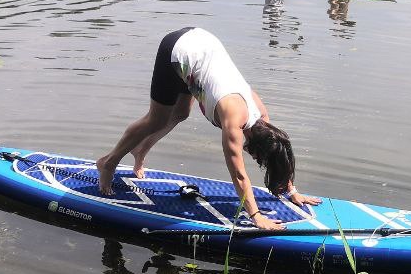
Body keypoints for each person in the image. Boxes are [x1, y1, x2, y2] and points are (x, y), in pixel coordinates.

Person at [95, 27, 321, 230]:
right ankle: (108, 162)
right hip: (178, 50)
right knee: (157, 119)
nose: (253, 159)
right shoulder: (233, 120)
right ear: (253, 149)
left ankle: (140, 150)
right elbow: (239, 175)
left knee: (181, 113)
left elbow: (278, 153)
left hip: (202, 45)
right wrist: (256, 215)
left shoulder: (262, 117)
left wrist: (291, 191)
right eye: (256, 157)